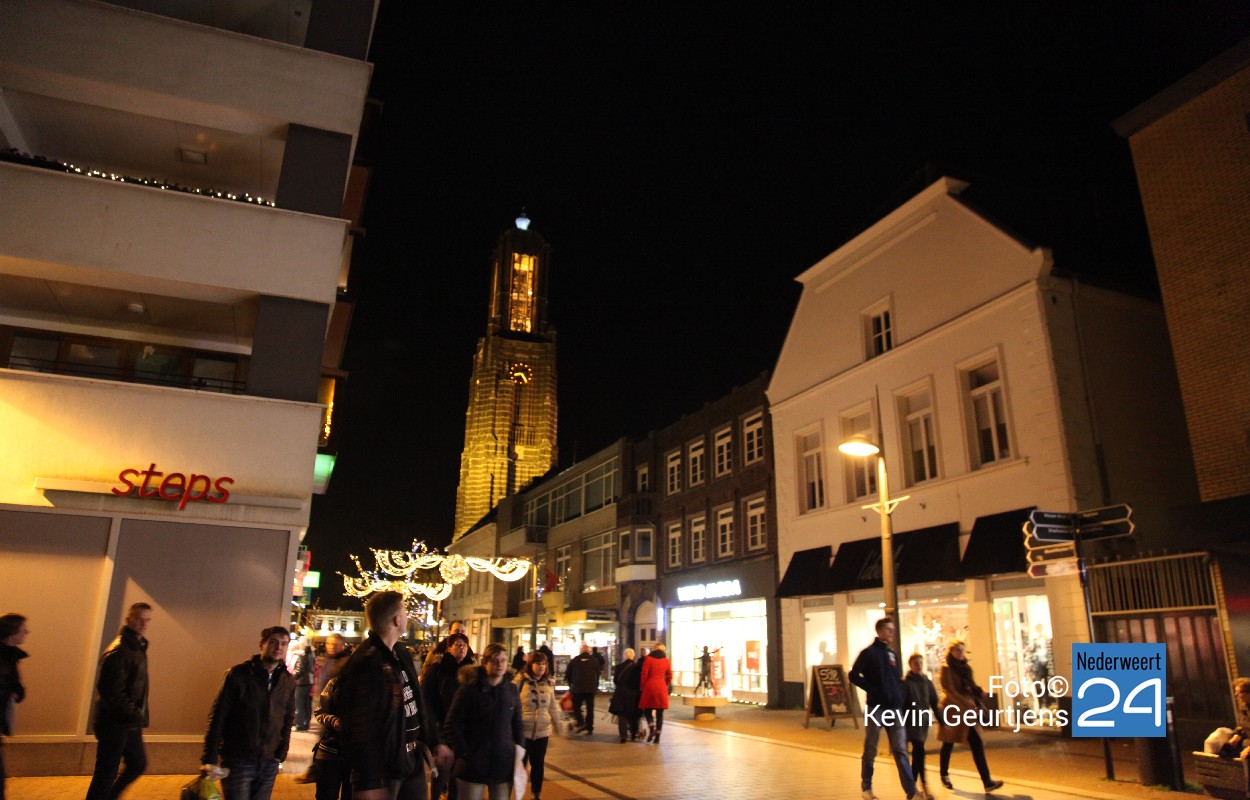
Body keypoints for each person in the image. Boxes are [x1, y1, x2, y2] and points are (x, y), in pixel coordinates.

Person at [337, 591, 452, 800]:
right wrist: (369, 779)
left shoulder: (400, 653)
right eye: (405, 611)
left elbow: (416, 702)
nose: (407, 616)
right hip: (384, 765)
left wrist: (435, 740)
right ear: (397, 620)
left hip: (411, 757)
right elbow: (358, 724)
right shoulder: (368, 662)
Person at [200, 626, 296, 800]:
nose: (278, 647)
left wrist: (281, 752)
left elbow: (288, 718)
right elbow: (218, 716)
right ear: (261, 645)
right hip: (238, 759)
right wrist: (209, 758)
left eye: (283, 644)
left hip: (269, 761)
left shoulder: (287, 681)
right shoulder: (239, 675)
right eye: (273, 642)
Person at [86, 602, 153, 800]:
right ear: (129, 619)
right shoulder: (119, 650)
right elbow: (112, 692)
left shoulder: (137, 647)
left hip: (128, 720)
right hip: (114, 721)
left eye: (147, 620)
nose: (143, 624)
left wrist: (135, 715)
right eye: (139, 619)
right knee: (106, 773)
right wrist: (135, 714)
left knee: (137, 763)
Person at [849, 617, 918, 800]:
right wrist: (873, 690)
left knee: (900, 749)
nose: (892, 633)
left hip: (894, 708)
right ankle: (867, 787)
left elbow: (896, 679)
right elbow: (853, 675)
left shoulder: (892, 654)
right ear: (879, 631)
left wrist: (900, 697)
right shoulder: (868, 653)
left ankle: (911, 791)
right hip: (876, 708)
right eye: (888, 629)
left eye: (892, 629)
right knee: (871, 747)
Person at [444, 643, 522, 800]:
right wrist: (465, 753)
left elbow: (517, 724)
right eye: (494, 660)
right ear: (485, 662)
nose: (499, 664)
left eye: (503, 660)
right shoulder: (469, 689)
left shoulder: (511, 690)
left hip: (503, 762)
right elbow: (452, 724)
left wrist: (519, 752)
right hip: (472, 765)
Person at [936, 640, 1003, 793]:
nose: (961, 653)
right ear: (951, 652)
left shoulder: (966, 668)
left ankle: (987, 781)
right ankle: (944, 775)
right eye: (957, 650)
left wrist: (979, 691)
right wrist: (968, 704)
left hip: (968, 711)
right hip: (953, 710)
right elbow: (950, 691)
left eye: (962, 650)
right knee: (948, 742)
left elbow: (970, 687)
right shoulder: (946, 669)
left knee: (976, 742)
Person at [420, 632, 473, 800]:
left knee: (457, 773)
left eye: (464, 645)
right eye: (457, 645)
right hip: (441, 727)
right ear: (449, 648)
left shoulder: (472, 672)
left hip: (462, 730)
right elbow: (425, 700)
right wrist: (435, 730)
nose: (461, 648)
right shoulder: (437, 669)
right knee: (442, 771)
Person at [514, 652, 561, 800]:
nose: (541, 667)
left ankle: (536, 793)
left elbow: (553, 707)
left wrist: (558, 726)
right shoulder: (520, 681)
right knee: (520, 766)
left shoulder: (548, 684)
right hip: (523, 732)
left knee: (538, 765)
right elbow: (511, 704)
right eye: (538, 664)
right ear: (530, 665)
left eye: (543, 664)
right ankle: (517, 793)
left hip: (542, 732)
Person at [0, 613, 30, 800]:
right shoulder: (5, 659)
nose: (27, 632)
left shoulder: (10, 657)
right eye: (23, 629)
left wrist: (17, 691)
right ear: (12, 633)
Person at [903, 654, 940, 799]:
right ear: (911, 665)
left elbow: (934, 703)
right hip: (910, 721)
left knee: (918, 754)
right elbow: (901, 704)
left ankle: (914, 788)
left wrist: (942, 720)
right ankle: (920, 786)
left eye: (920, 663)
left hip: (923, 722)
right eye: (916, 663)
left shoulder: (927, 682)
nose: (919, 665)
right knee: (919, 751)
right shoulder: (906, 683)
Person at [312, 677, 351, 800]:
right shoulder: (335, 682)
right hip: (330, 751)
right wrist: (333, 721)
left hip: (357, 757)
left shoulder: (373, 686)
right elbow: (320, 712)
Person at [638, 643, 671, 744]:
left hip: (649, 686)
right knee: (660, 713)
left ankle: (652, 728)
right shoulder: (666, 661)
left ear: (654, 649)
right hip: (661, 687)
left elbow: (644, 674)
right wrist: (664, 684)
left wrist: (643, 686)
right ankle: (657, 737)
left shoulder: (648, 659)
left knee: (647, 710)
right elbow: (670, 675)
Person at [564, 644, 600, 735]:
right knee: (590, 708)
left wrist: (571, 684)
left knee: (576, 706)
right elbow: (598, 673)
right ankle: (589, 727)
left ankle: (581, 722)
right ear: (589, 651)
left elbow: (568, 674)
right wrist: (595, 685)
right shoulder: (594, 660)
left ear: (580, 651)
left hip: (577, 688)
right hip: (590, 688)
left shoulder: (575, 660)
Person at [609, 648, 641, 743]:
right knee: (633, 713)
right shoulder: (637, 667)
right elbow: (639, 681)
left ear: (624, 656)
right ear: (633, 656)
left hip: (621, 693)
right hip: (633, 693)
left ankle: (623, 735)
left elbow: (615, 680)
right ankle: (634, 733)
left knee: (622, 714)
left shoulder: (619, 667)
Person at [291, 636, 315, 732]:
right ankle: (306, 724)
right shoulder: (312, 654)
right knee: (307, 704)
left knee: (299, 704)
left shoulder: (303, 654)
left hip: (301, 682)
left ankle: (299, 725)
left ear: (303, 644)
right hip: (309, 681)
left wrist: (294, 677)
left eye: (300, 644)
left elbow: (301, 669)